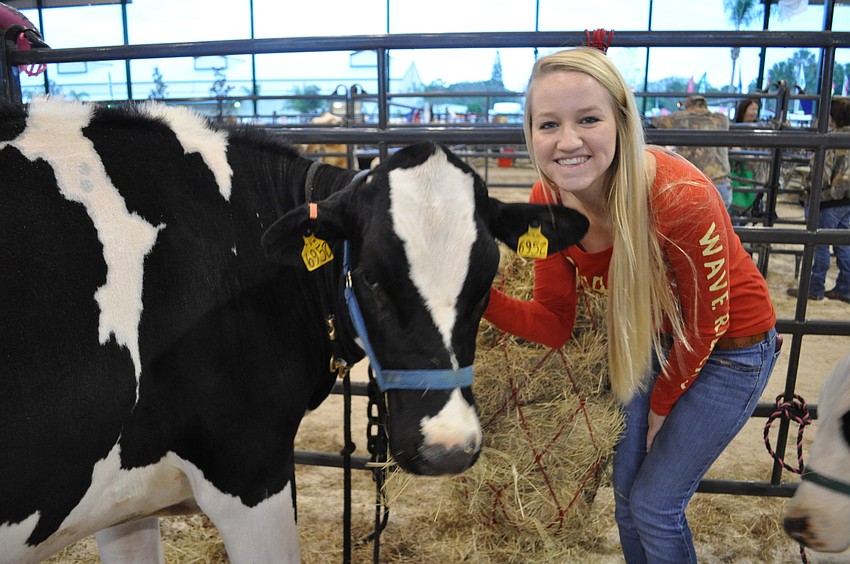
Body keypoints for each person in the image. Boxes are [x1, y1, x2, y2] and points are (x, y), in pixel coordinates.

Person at [484, 47, 781, 563]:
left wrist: (663, 406)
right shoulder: (546, 200)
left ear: (621, 122)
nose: (568, 141)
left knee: (654, 504)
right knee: (625, 502)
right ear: (530, 132)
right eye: (548, 123)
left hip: (730, 348)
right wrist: (478, 299)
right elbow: (555, 323)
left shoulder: (678, 195)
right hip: (645, 341)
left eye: (589, 119)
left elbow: (704, 324)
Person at [786, 96, 850, 303]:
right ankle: (845, 288)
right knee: (843, 243)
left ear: (832, 117)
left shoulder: (830, 140)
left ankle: (815, 288)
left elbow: (821, 176)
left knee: (818, 243)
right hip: (847, 200)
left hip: (829, 199)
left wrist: (808, 185)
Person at [652, 95, 733, 209]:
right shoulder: (721, 120)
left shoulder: (678, 118)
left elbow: (657, 121)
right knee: (719, 225)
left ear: (688, 106)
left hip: (694, 184)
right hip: (721, 184)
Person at [730, 96, 770, 219]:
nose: (754, 112)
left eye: (756, 109)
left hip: (755, 174)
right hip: (738, 173)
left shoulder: (760, 129)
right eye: (752, 109)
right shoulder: (733, 128)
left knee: (752, 206)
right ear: (744, 109)